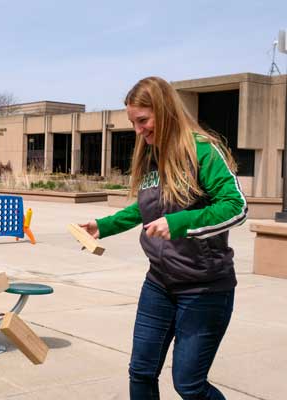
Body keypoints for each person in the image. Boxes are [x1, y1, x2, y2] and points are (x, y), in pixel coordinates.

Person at [80, 76, 247, 400]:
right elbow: (147, 206)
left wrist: (180, 222)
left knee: (189, 385)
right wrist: (104, 225)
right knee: (141, 372)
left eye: (143, 120)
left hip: (204, 288)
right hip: (159, 284)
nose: (138, 130)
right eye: (133, 123)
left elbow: (236, 207)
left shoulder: (202, 151)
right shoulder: (152, 155)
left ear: (165, 110)